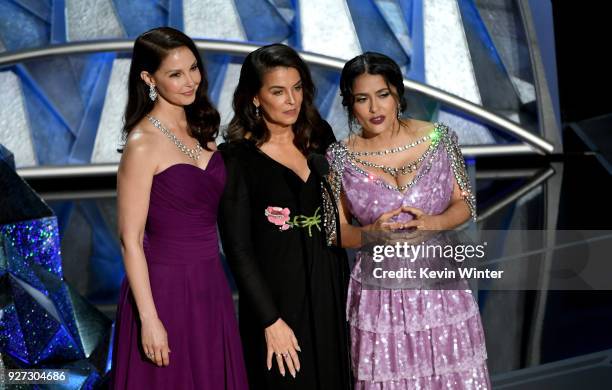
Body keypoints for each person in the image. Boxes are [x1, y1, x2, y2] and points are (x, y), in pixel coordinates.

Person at [326, 52, 491, 389]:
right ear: (349, 103)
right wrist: (371, 234)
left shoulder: (439, 138)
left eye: (382, 95)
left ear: (397, 94)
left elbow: (464, 203)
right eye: (362, 99)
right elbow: (336, 232)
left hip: (440, 290)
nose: (374, 108)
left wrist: (433, 223)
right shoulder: (339, 158)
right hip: (380, 296)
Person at [111, 27, 248, 389]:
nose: (190, 81)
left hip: (210, 284)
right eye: (175, 74)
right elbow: (130, 239)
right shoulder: (143, 143)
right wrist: (150, 319)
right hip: (162, 290)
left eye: (193, 68)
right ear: (148, 78)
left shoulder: (202, 129)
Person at [217, 43, 352, 389]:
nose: (291, 100)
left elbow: (344, 213)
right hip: (278, 302)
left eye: (297, 88)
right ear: (255, 97)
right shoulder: (236, 158)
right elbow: (238, 249)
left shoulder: (319, 137)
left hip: (331, 288)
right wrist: (270, 320)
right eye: (278, 91)